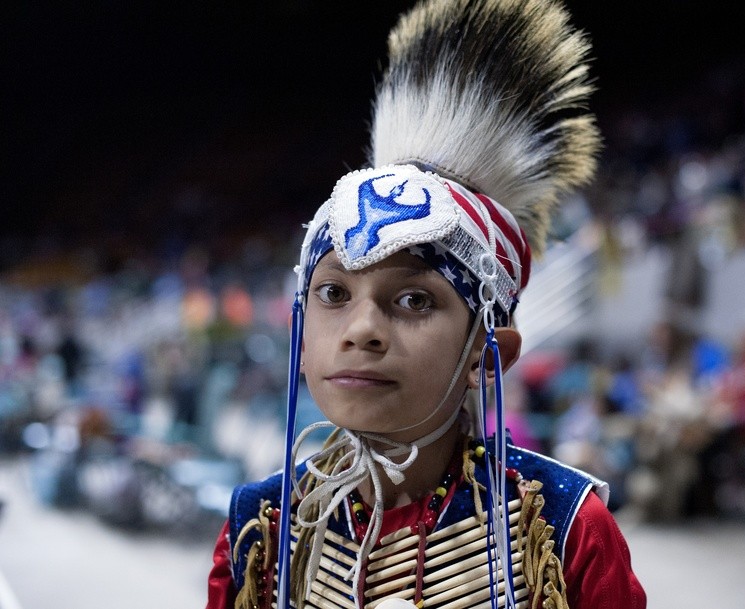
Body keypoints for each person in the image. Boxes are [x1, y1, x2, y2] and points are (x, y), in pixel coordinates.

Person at [205, 1, 645, 608]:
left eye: (414, 298)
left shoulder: (565, 531)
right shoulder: (260, 531)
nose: (361, 330)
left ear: (487, 355)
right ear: (300, 335)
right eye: (333, 293)